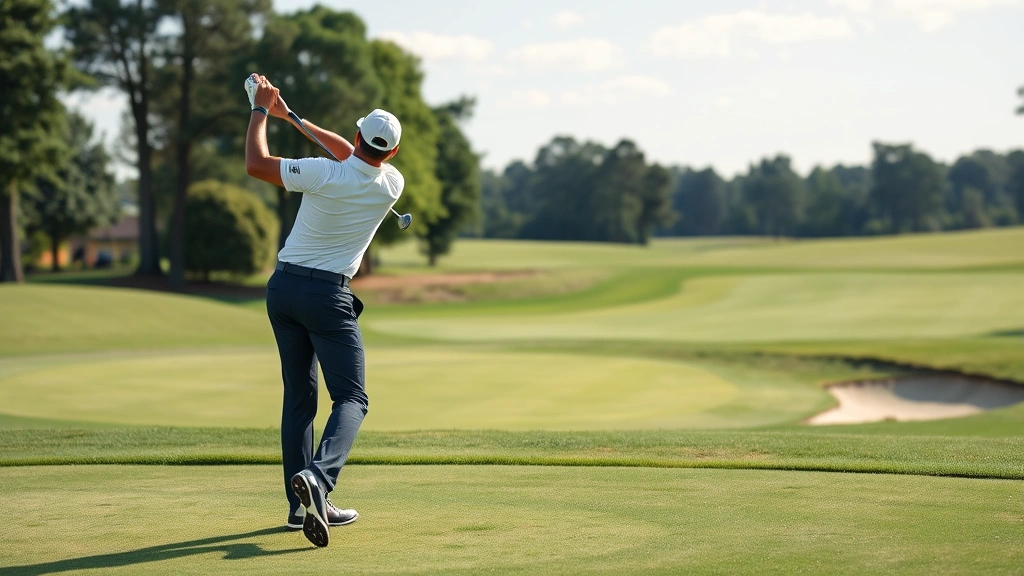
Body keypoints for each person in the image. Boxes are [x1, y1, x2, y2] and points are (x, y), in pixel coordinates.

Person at [244, 74, 404, 548]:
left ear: (357, 137)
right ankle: (318, 478)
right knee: (353, 399)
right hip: (329, 299)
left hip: (284, 289)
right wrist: (291, 116)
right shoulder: (391, 185)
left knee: (299, 397)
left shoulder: (320, 171)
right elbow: (355, 158)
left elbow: (257, 164)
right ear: (390, 152)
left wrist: (259, 109)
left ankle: (301, 505)